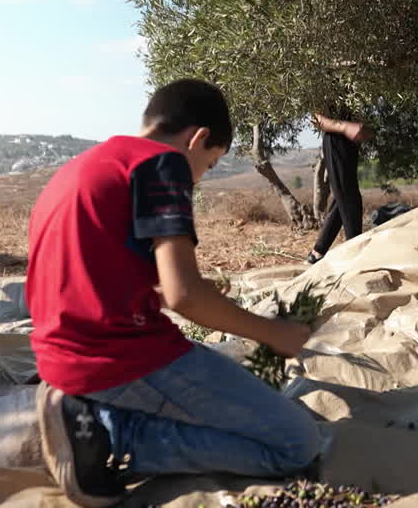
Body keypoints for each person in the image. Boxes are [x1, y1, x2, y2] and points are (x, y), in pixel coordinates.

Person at [27, 79, 321, 507]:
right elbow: (186, 297)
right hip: (117, 357)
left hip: (58, 355)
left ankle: (96, 417)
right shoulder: (163, 164)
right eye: (210, 163)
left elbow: (94, 273)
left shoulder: (88, 164)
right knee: (297, 444)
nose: (199, 179)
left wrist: (166, 291)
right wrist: (273, 333)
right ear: (198, 138)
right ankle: (115, 439)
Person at [306, 113, 373, 264]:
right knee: (350, 199)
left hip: (350, 143)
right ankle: (355, 253)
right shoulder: (327, 91)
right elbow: (316, 118)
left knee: (342, 198)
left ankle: (317, 252)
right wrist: (345, 127)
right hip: (335, 140)